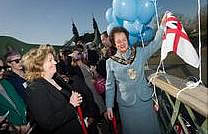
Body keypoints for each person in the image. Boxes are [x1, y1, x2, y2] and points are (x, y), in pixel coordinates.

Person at [105, 13, 168, 134]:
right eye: (118, 41)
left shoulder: (139, 53)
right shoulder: (110, 63)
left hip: (145, 101)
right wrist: (109, 106)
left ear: (128, 40)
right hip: (126, 106)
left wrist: (162, 27)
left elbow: (155, 45)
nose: (122, 43)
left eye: (124, 40)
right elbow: (110, 86)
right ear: (114, 43)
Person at [22, 45, 83, 134]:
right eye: (50, 60)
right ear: (38, 65)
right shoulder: (35, 88)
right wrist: (71, 105)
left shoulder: (56, 78)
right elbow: (47, 123)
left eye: (54, 59)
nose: (55, 62)